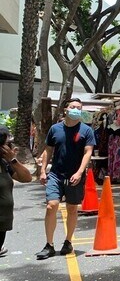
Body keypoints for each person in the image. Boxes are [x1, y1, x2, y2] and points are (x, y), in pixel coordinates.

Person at [36, 99, 96, 260]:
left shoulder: (86, 130)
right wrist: (42, 171)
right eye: (73, 107)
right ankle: (49, 245)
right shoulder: (55, 129)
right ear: (65, 109)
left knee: (72, 208)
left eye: (79, 108)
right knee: (51, 206)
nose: (76, 110)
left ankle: (68, 241)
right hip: (56, 174)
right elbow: (48, 150)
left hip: (75, 176)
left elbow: (88, 153)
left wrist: (80, 172)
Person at [0, 126, 33, 281]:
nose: (10, 146)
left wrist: (12, 159)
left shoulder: (5, 163)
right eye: (7, 144)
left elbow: (26, 178)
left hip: (3, 221)